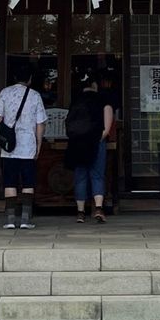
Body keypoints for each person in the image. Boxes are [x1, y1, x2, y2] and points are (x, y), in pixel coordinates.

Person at [0, 65, 47, 229]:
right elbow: (40, 124)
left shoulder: (5, 93)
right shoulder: (35, 96)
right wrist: (38, 144)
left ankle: (10, 219)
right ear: (30, 79)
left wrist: (5, 132)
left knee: (10, 182)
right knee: (28, 182)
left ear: (15, 78)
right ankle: (25, 219)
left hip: (9, 146)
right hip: (27, 145)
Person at [66, 76, 114, 223]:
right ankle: (98, 208)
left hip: (77, 143)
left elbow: (68, 124)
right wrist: (98, 139)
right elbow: (106, 128)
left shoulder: (75, 100)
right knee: (97, 175)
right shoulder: (103, 100)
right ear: (95, 84)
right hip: (95, 142)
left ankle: (80, 212)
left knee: (80, 176)